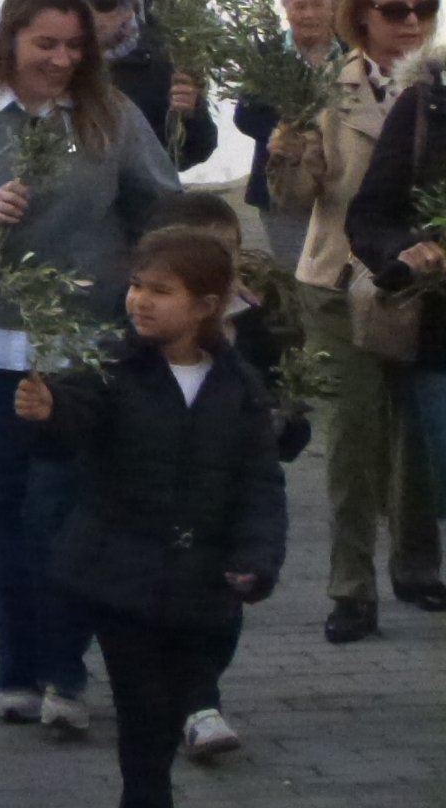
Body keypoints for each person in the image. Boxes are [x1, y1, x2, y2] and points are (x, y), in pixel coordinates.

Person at [0, 0, 180, 736]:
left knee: (61, 509)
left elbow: (160, 202)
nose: (60, 59)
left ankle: (65, 672)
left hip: (84, 343)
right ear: (11, 38)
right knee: (5, 511)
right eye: (45, 44)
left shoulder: (109, 115)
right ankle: (17, 671)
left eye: (73, 45)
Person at [15, 226, 287, 808]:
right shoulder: (113, 365)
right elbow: (70, 427)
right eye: (136, 285)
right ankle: (146, 795)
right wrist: (46, 413)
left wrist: (256, 561)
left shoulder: (239, 387)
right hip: (120, 573)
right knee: (142, 704)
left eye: (161, 290)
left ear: (207, 306)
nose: (140, 299)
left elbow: (260, 485)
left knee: (180, 693)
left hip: (203, 581)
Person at [275, 0, 443, 643]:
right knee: (352, 438)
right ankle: (351, 587)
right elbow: (295, 199)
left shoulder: (438, 85)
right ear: (362, 16)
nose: (409, 22)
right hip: (340, 282)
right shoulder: (329, 89)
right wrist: (288, 152)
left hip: (421, 285)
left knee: (418, 436)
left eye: (422, 8)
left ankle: (418, 566)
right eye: (393, 9)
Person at [144, 190, 310, 760]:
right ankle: (189, 699)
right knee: (166, 602)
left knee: (222, 600)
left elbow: (290, 407)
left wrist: (285, 425)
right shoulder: (144, 334)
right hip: (159, 496)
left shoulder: (261, 320)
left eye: (229, 252)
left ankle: (198, 694)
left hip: (232, 494)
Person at [343, 0, 446, 599]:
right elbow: (369, 216)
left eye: (425, 7)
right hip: (438, 336)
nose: (414, 20)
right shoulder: (427, 103)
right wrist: (409, 250)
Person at [68, 0, 217, 171]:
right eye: (80, 3)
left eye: (102, 4)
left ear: (128, 9)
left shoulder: (164, 60)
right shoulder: (62, 58)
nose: (89, 14)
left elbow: (195, 151)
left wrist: (191, 115)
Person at [231, 0, 338, 268]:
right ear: (287, 11)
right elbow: (245, 116)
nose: (309, 14)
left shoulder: (351, 55)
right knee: (294, 271)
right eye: (300, 6)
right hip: (280, 186)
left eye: (318, 5)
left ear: (333, 8)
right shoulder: (266, 55)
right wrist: (284, 132)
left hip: (337, 185)